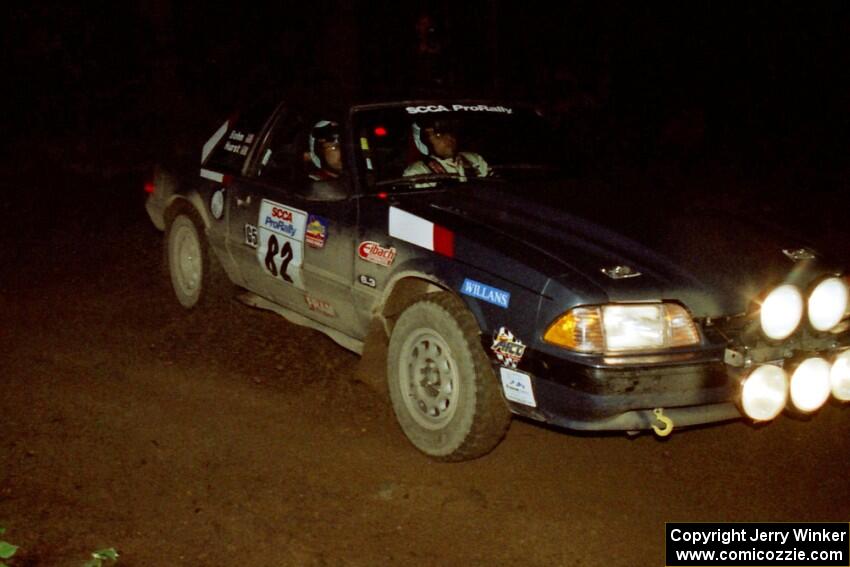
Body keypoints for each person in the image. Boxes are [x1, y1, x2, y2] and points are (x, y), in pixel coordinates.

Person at [403, 118, 489, 181]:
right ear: (424, 141)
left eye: (450, 133)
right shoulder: (418, 172)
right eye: (439, 135)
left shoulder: (474, 160)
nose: (448, 139)